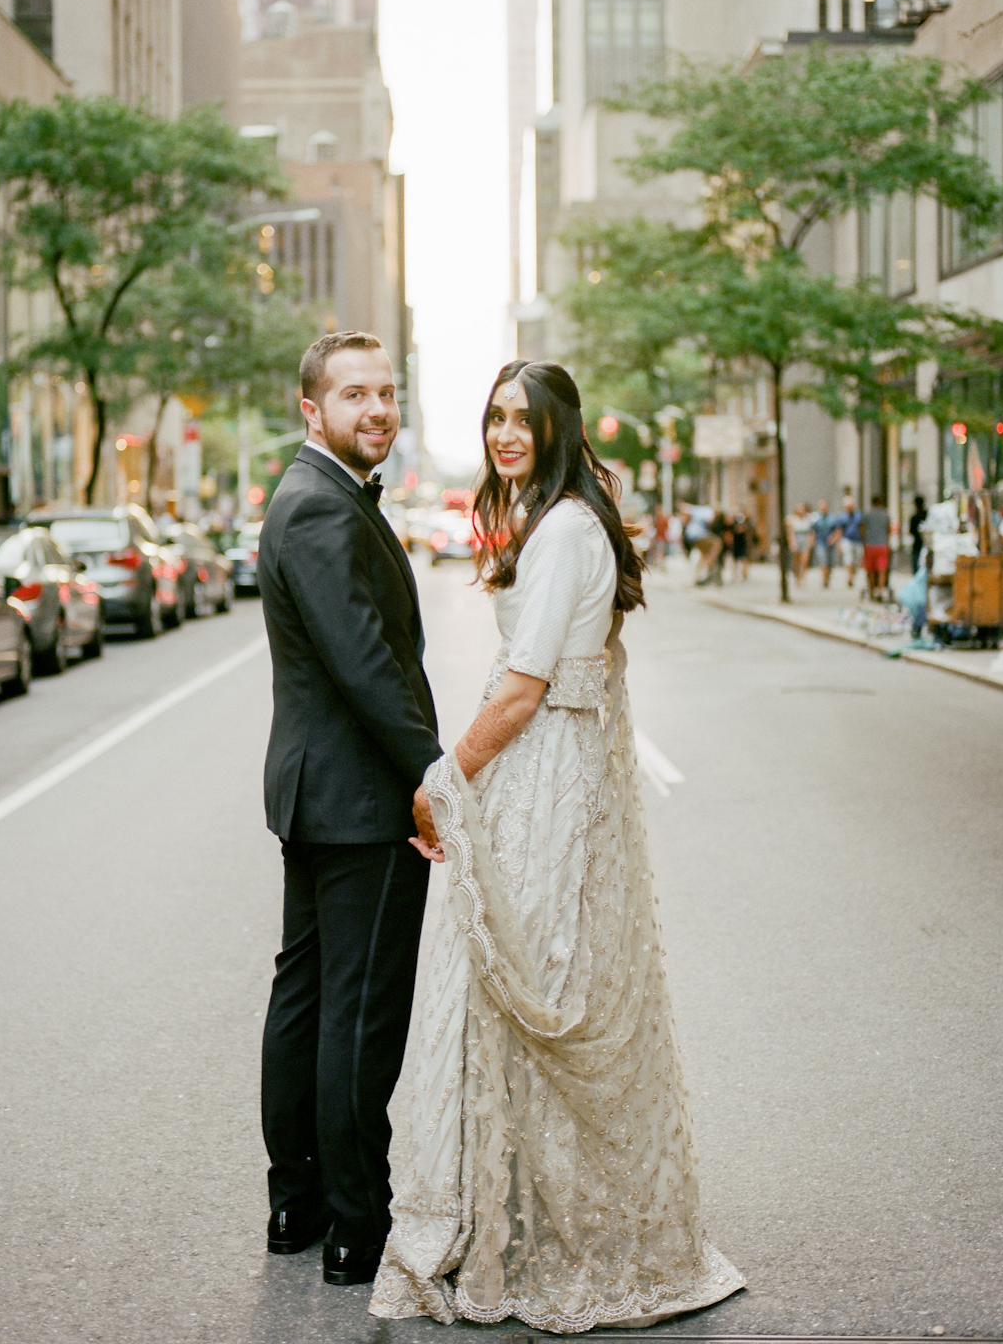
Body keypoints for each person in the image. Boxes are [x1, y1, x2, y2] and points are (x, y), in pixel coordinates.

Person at [371, 360, 745, 1333]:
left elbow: (522, 687)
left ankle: (554, 1235)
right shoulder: (564, 522)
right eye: (494, 416)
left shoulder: (565, 530)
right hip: (554, 774)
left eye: (522, 419)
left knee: (529, 993)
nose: (504, 433)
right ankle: (527, 1218)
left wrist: (442, 784)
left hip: (542, 781)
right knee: (527, 991)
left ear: (558, 428)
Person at [256, 331, 442, 1289]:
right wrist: (432, 777)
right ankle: (355, 1226)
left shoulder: (311, 496)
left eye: (387, 393)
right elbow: (367, 664)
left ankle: (298, 1202)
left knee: (308, 997)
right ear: (312, 410)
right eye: (355, 394)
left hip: (316, 793)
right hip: (363, 801)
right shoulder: (322, 509)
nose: (377, 409)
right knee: (355, 1015)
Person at [862, 495, 892, 600]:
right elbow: (889, 530)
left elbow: (863, 529)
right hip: (882, 545)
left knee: (870, 570)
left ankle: (871, 592)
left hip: (870, 545)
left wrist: (864, 541)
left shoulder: (867, 514)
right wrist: (887, 542)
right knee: (882, 569)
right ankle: (880, 591)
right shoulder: (885, 515)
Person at [830, 495, 863, 588]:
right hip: (846, 540)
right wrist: (838, 544)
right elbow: (839, 530)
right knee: (848, 559)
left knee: (857, 560)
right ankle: (849, 577)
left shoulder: (858, 515)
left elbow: (862, 528)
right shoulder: (841, 516)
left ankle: (852, 574)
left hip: (857, 540)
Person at [811, 499, 835, 587]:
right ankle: (824, 579)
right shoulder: (816, 518)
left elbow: (836, 530)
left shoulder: (832, 518)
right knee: (823, 561)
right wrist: (812, 541)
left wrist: (833, 538)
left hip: (830, 543)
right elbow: (813, 530)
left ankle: (827, 578)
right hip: (820, 542)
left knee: (829, 562)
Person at [790, 501, 815, 584]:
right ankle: (797, 576)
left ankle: (802, 577)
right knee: (796, 560)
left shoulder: (808, 519)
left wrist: (811, 540)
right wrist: (792, 543)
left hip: (805, 540)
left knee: (804, 560)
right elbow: (791, 533)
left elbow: (811, 531)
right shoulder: (793, 519)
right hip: (797, 540)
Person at [909, 494, 928, 575]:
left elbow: (911, 531)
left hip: (917, 544)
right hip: (925, 544)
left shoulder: (914, 517)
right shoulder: (927, 514)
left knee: (916, 568)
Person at [730, 510, 750, 580]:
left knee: (743, 559)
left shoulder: (744, 525)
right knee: (737, 560)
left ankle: (744, 574)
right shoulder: (734, 524)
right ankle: (735, 574)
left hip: (741, 543)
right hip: (736, 544)